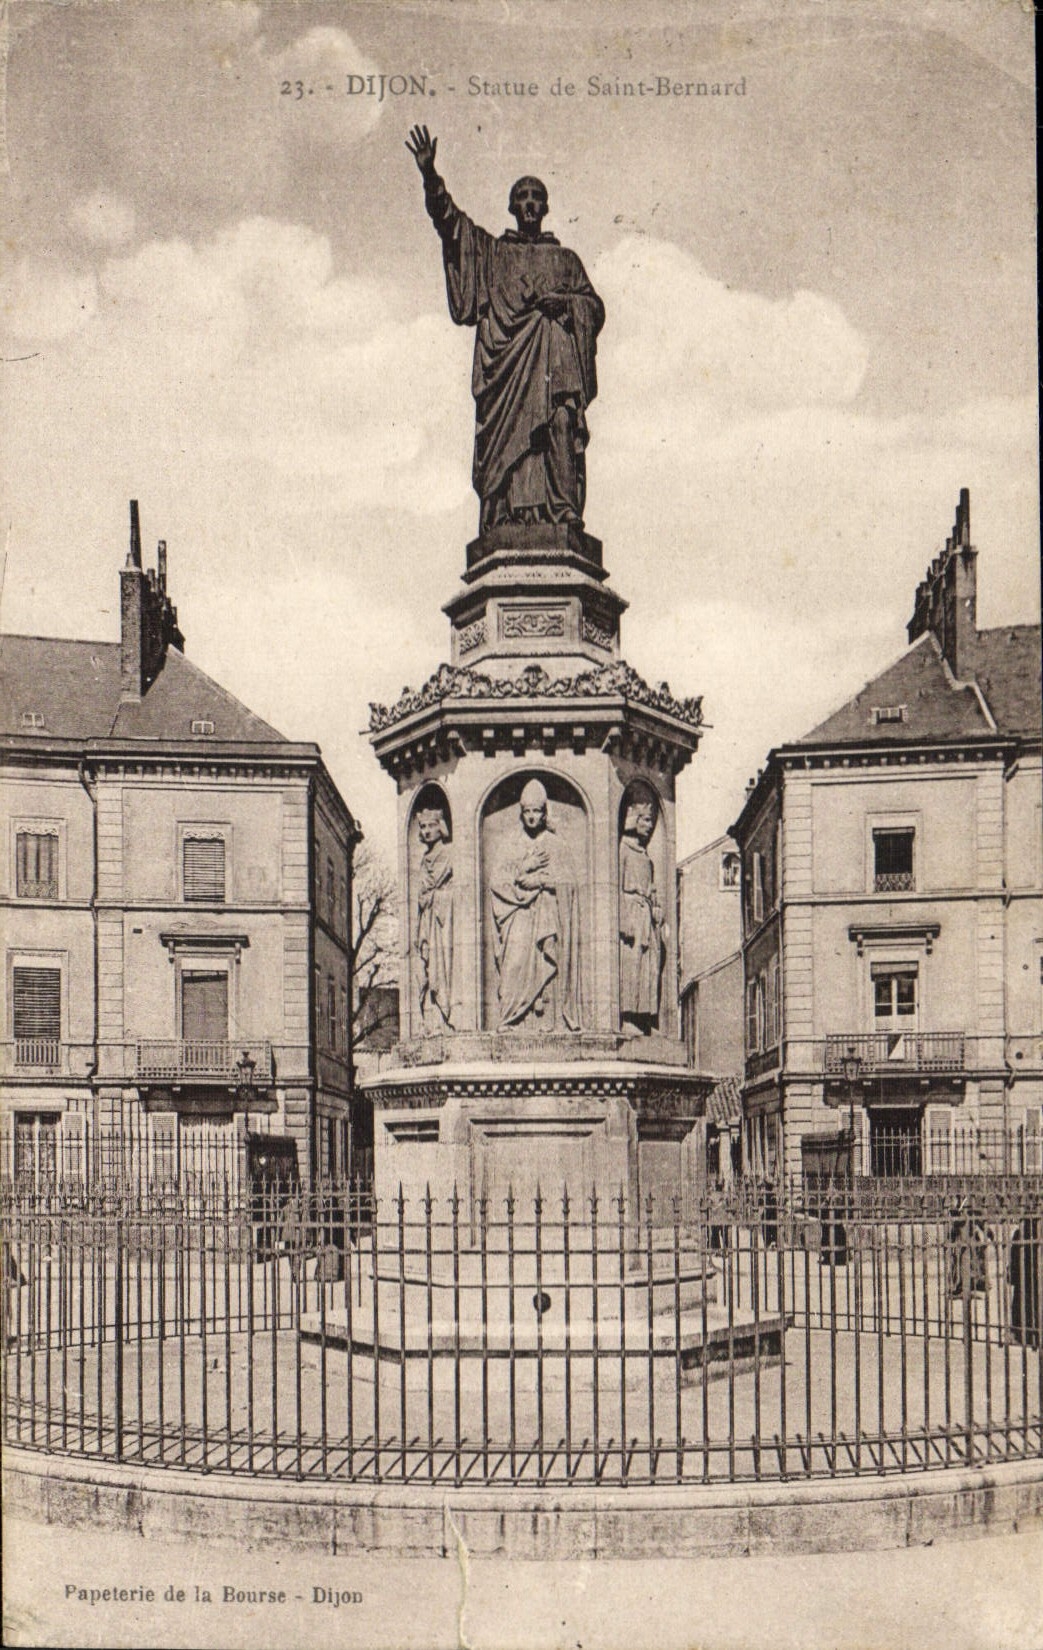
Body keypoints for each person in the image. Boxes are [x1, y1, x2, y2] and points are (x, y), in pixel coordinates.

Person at [406, 125, 605, 532]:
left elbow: (593, 308)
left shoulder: (566, 260)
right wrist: (430, 177)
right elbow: (452, 225)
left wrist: (567, 304)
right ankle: (506, 513)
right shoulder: (493, 255)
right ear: (512, 206)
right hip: (507, 378)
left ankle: (563, 509)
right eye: (522, 196)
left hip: (556, 367)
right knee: (513, 445)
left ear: (545, 207)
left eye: (536, 197)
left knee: (561, 421)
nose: (529, 203)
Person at [489, 779, 582, 1031]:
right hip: (518, 916)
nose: (531, 817)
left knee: (548, 960)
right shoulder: (510, 845)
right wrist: (523, 869)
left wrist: (541, 882)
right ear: (521, 813)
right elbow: (497, 882)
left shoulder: (556, 845)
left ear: (544, 813)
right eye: (527, 811)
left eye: (537, 811)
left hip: (548, 916)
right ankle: (510, 1017)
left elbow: (569, 884)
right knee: (514, 964)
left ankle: (549, 1021)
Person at [619, 789, 664, 1031]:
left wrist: (656, 908)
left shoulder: (646, 856)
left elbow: (652, 889)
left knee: (651, 967)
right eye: (645, 820)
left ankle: (645, 1017)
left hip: (646, 917)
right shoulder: (623, 849)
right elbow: (615, 887)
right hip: (632, 915)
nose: (650, 825)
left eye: (651, 820)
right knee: (632, 965)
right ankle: (628, 1017)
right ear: (634, 819)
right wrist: (623, 920)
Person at [414, 805, 454, 1030]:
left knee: (441, 967)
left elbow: (442, 888)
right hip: (427, 920)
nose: (427, 831)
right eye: (422, 826)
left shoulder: (448, 854)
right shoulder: (423, 860)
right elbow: (421, 894)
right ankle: (431, 1019)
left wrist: (433, 897)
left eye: (431, 825)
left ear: (441, 827)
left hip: (441, 921)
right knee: (427, 968)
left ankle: (445, 1015)